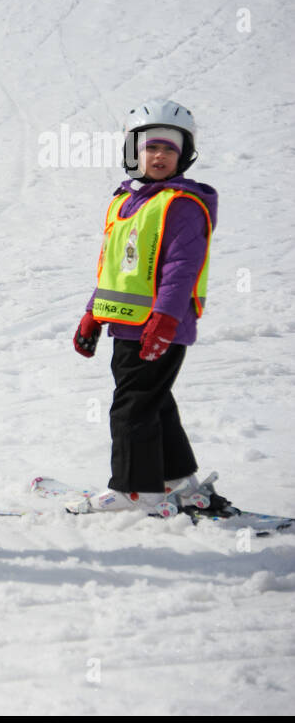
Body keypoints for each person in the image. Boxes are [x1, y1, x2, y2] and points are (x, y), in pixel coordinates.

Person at [72, 100, 228, 515]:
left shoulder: (180, 204)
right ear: (132, 151)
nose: (159, 156)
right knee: (153, 401)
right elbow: (112, 268)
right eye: (150, 147)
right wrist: (92, 314)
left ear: (184, 155)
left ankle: (135, 489)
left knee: (132, 406)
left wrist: (165, 318)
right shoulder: (125, 202)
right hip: (126, 325)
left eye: (170, 149)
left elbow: (182, 267)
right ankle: (177, 478)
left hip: (158, 327)